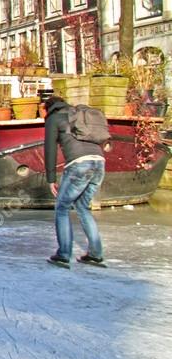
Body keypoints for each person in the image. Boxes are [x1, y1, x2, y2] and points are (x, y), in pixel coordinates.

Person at [43, 96, 106, 267]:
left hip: (79, 165)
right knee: (83, 208)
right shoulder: (79, 115)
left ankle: (63, 254)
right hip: (99, 162)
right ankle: (95, 254)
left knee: (62, 208)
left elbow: (50, 149)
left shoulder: (54, 118)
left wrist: (50, 179)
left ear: (47, 108)